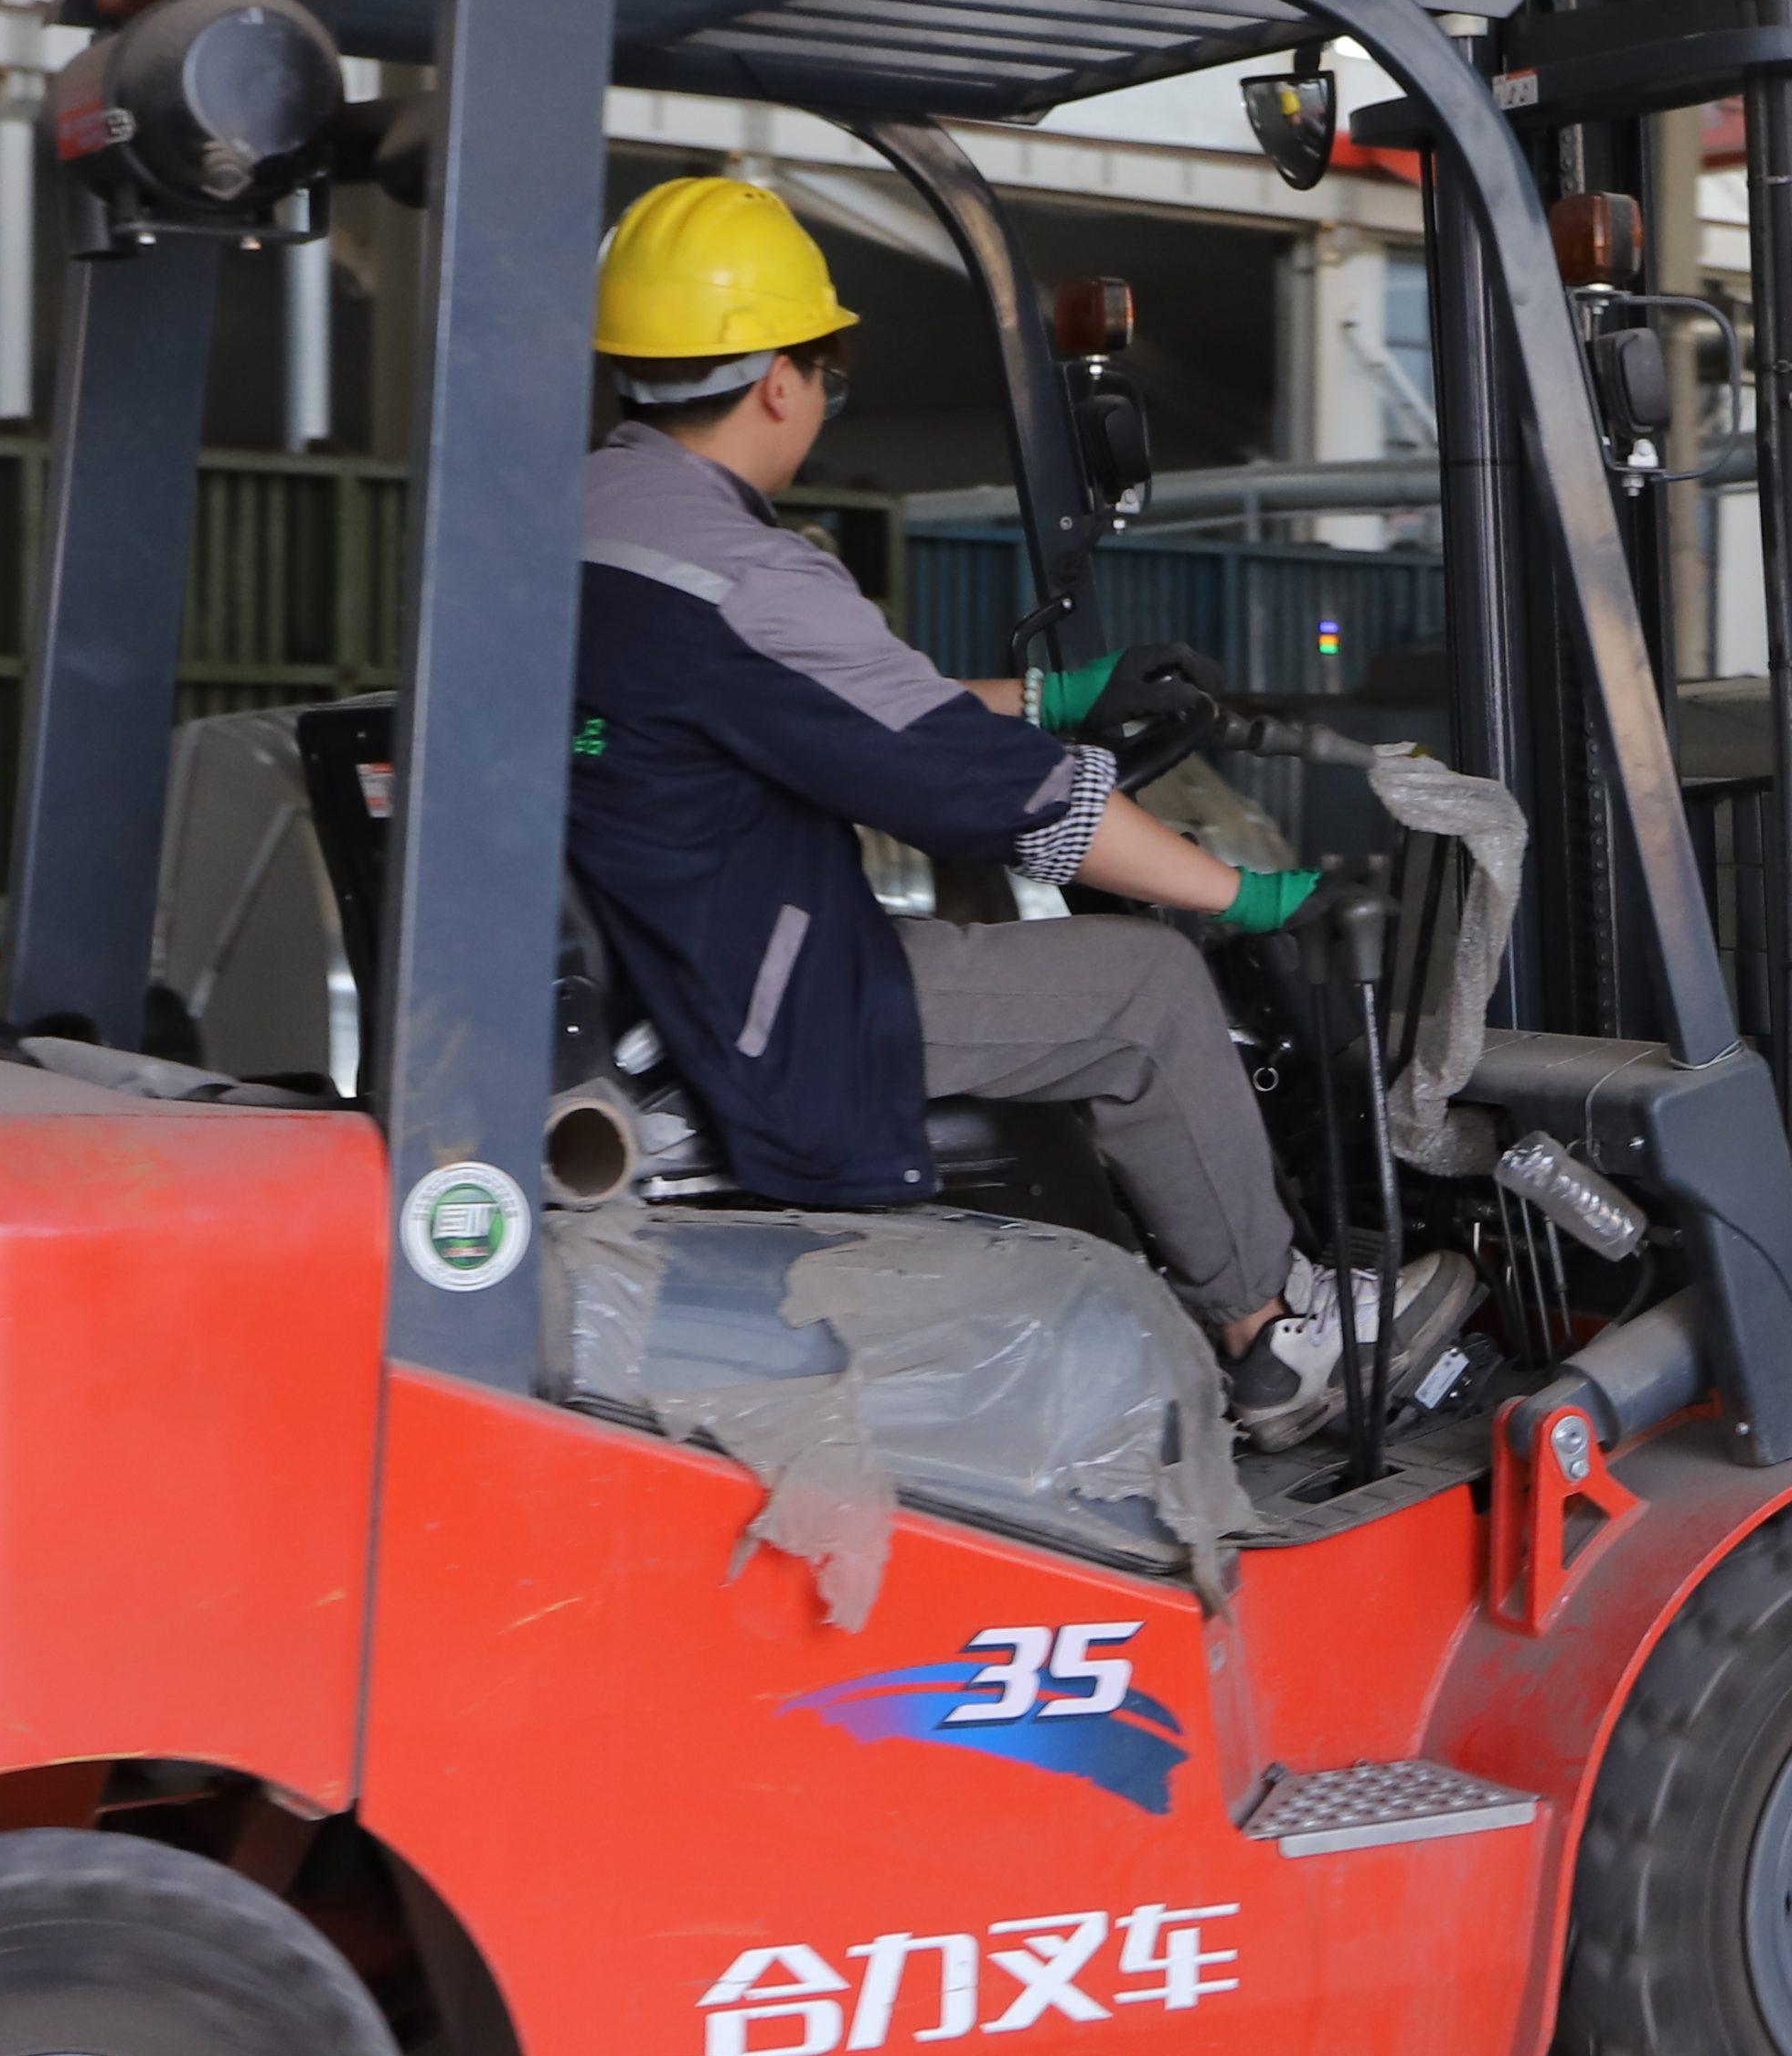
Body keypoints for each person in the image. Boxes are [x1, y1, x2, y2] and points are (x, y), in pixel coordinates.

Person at [567, 174, 1471, 1443]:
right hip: (757, 1007)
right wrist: (1258, 896)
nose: (820, 403)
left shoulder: (596, 525)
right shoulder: (748, 574)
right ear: (778, 380)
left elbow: (837, 710)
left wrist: (1053, 697)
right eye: (828, 378)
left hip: (672, 957)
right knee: (1145, 988)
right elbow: (1001, 798)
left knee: (1025, 944)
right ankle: (1278, 1332)